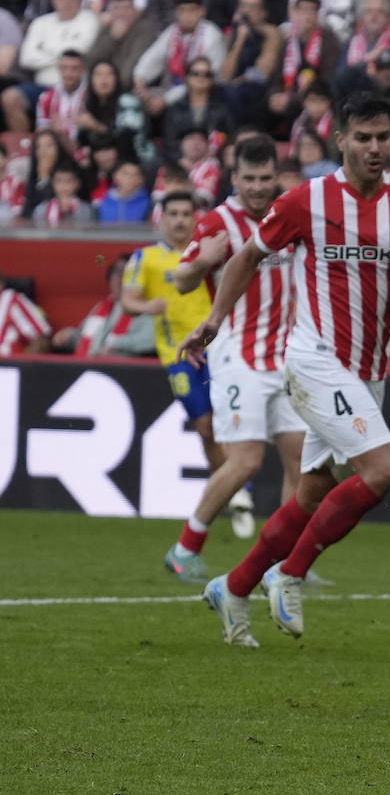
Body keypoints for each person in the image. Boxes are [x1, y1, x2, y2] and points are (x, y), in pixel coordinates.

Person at [185, 93, 390, 645]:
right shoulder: (306, 200)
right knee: (382, 471)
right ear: (341, 140)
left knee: (311, 495)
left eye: (383, 137)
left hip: (366, 376)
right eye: (363, 138)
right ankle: (288, 574)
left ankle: (233, 587)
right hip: (314, 360)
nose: (375, 147)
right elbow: (247, 257)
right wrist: (215, 320)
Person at [161, 136, 307, 589]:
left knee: (301, 463)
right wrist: (202, 262)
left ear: (276, 176)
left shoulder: (288, 214)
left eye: (265, 178)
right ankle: (186, 547)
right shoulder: (217, 222)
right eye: (250, 178)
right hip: (238, 356)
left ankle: (281, 564)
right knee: (245, 462)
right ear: (234, 177)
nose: (258, 187)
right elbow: (181, 281)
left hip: (287, 357)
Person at [122, 191, 223, 500]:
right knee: (204, 425)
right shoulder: (145, 258)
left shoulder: (209, 253)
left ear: (195, 219)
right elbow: (128, 301)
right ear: (162, 219)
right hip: (176, 354)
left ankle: (235, 488)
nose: (180, 220)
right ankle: (233, 489)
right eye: (173, 214)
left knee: (228, 422)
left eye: (186, 214)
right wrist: (146, 306)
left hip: (218, 347)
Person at [87, 0, 160, 87]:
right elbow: (91, 61)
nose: (121, 13)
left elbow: (132, 67)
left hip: (129, 87)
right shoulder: (107, 29)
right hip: (104, 86)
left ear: (134, 10)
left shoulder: (145, 29)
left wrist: (114, 88)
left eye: (126, 8)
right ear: (109, 11)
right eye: (116, 8)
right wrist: (112, 39)